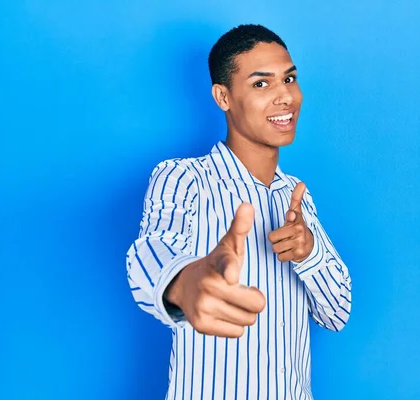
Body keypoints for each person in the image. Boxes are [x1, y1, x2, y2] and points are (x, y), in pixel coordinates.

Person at [126, 24, 352, 400]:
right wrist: (183, 283)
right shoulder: (185, 178)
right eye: (261, 84)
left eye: (289, 79)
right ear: (223, 97)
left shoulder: (296, 198)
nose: (285, 97)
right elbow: (150, 251)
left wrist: (310, 252)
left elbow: (337, 313)